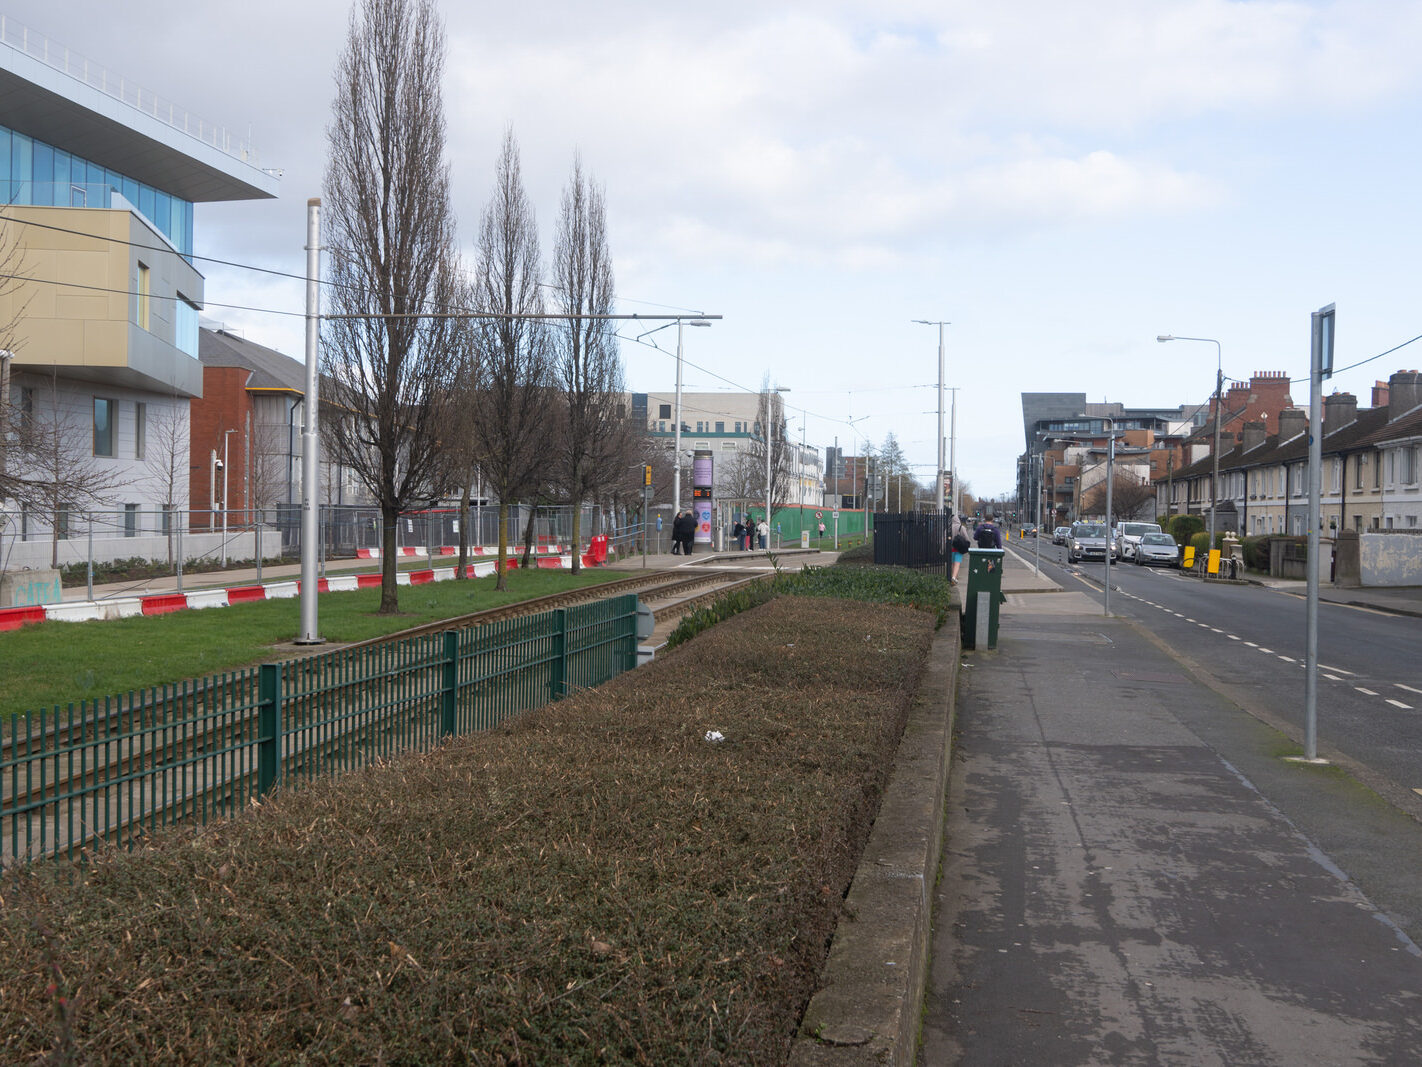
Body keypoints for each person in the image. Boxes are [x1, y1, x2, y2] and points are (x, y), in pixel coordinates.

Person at [950, 516, 972, 585]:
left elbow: (944, 538)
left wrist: (941, 549)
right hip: (959, 548)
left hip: (951, 548)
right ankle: (954, 577)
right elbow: (967, 538)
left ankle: (953, 577)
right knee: (957, 563)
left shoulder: (949, 527)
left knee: (953, 563)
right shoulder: (961, 527)